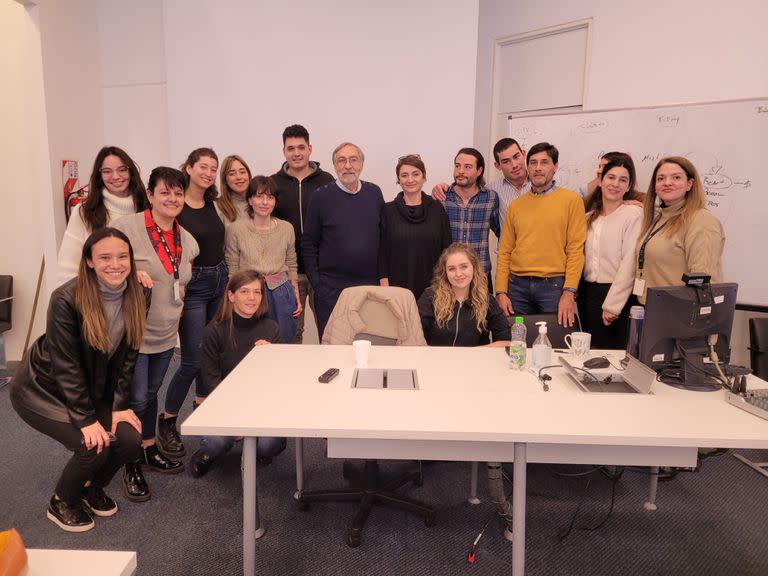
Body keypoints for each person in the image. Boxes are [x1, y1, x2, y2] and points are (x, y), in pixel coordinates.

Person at [11, 228, 146, 532]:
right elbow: (66, 365)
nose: (115, 264)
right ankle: (61, 501)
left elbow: (129, 355)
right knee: (92, 444)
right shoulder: (65, 299)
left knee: (128, 441)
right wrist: (86, 420)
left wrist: (119, 406)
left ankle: (88, 486)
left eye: (123, 256)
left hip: (87, 386)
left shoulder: (139, 292)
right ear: (89, 262)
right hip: (41, 388)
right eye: (105, 257)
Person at [113, 167, 199, 500]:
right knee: (135, 399)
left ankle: (148, 448)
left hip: (165, 333)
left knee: (150, 394)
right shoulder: (126, 229)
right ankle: (130, 463)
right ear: (150, 195)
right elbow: (103, 262)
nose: (173, 198)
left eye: (178, 193)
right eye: (165, 192)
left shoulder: (186, 240)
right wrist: (130, 268)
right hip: (133, 334)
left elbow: (181, 282)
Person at [157, 148, 227, 459]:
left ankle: (201, 408)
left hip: (219, 281)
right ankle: (168, 419)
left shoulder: (213, 204)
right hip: (192, 285)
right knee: (191, 360)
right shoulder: (176, 205)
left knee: (210, 354)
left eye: (213, 168)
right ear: (188, 167)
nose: (209, 173)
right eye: (203, 167)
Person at [188, 270, 286, 477]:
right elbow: (212, 382)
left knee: (271, 446)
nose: (252, 298)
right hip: (226, 402)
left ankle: (252, 445)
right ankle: (209, 450)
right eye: (244, 291)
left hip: (261, 403)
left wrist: (271, 358)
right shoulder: (214, 331)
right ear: (231, 296)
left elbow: (278, 382)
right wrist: (236, 416)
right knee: (215, 443)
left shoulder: (271, 329)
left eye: (257, 292)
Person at [495, 142, 586, 327]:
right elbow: (505, 251)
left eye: (544, 162)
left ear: (555, 166)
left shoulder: (571, 201)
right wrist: (501, 292)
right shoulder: (516, 206)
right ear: (527, 167)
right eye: (533, 163)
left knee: (553, 343)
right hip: (517, 288)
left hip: (553, 287)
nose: (538, 168)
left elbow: (576, 250)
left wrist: (569, 292)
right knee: (517, 343)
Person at [301, 142, 384, 339]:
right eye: (341, 160)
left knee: (368, 343)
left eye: (353, 159)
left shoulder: (374, 193)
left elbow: (383, 240)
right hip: (331, 290)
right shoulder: (320, 197)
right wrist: (318, 285)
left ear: (362, 164)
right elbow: (308, 243)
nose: (348, 165)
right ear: (335, 166)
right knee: (333, 346)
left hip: (369, 288)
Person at [272, 125, 334, 343]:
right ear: (284, 151)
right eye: (290, 148)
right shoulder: (274, 184)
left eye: (301, 147)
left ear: (310, 148)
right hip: (289, 273)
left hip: (322, 270)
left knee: (329, 330)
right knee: (292, 332)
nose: (296, 153)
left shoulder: (327, 181)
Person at [634, 156, 725, 304]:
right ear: (655, 186)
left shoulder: (701, 220)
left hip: (681, 314)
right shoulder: (659, 218)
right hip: (653, 308)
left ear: (689, 184)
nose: (667, 183)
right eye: (661, 178)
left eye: (676, 177)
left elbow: (702, 279)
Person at [225, 175, 301, 343]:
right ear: (250, 200)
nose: (264, 202)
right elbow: (232, 266)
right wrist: (233, 299)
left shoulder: (287, 228)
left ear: (275, 201)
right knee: (251, 342)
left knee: (285, 341)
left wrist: (295, 294)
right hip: (249, 291)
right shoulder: (236, 229)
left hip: (281, 291)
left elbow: (291, 262)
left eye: (270, 197)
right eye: (259, 196)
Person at [57, 146, 149, 285]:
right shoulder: (84, 212)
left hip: (142, 297)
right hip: (98, 298)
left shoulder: (148, 209)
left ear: (131, 172)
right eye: (107, 171)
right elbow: (67, 268)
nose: (116, 176)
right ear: (99, 176)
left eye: (122, 169)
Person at [578, 157, 644, 349]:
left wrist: (612, 306)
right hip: (589, 295)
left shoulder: (633, 214)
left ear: (629, 185)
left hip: (618, 298)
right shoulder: (589, 218)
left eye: (623, 180)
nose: (615, 184)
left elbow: (630, 263)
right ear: (601, 181)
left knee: (616, 356)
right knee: (593, 354)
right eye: (611, 177)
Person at [378, 154, 452, 299]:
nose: (410, 180)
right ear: (398, 180)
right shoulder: (387, 211)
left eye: (415, 174)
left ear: (424, 177)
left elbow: (447, 249)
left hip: (434, 289)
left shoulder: (437, 209)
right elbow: (381, 254)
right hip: (396, 290)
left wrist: (445, 286)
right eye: (404, 175)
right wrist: (385, 290)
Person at [417, 243, 510, 347]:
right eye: (452, 269)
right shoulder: (430, 297)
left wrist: (472, 354)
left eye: (464, 267)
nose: (458, 274)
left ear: (474, 268)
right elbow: (415, 338)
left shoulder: (487, 300)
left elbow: (506, 340)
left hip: (475, 361)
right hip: (437, 361)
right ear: (445, 272)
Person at [436, 148, 500, 293]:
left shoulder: (490, 198)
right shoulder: (442, 198)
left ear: (479, 171)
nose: (460, 171)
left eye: (467, 167)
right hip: (450, 276)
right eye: (457, 165)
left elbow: (501, 233)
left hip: (480, 276)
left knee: (482, 316)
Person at [217, 155, 253, 224]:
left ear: (248, 175)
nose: (238, 177)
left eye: (242, 172)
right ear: (225, 180)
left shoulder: (260, 202)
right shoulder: (218, 207)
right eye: (232, 174)